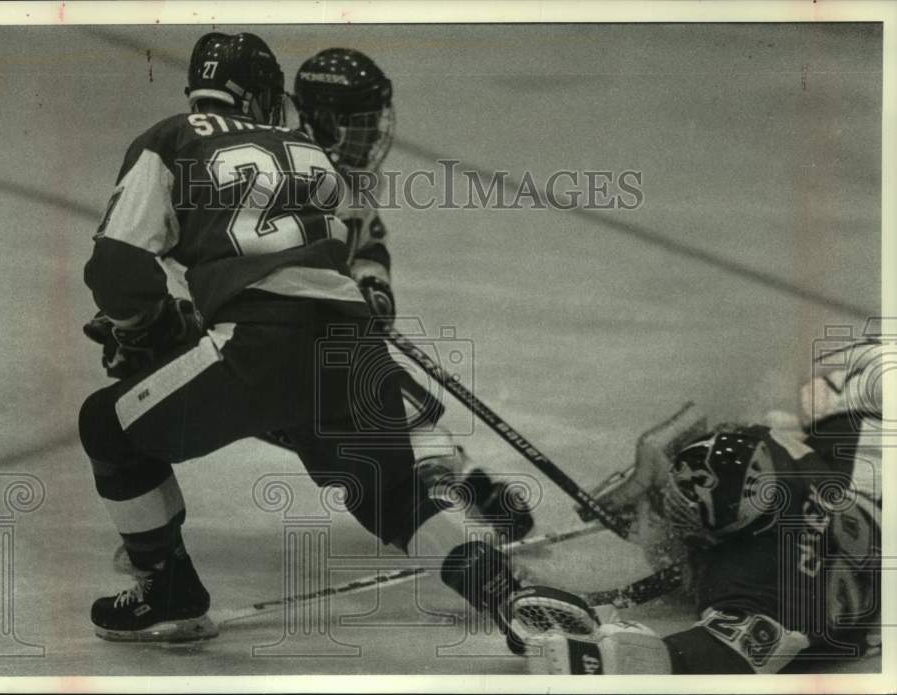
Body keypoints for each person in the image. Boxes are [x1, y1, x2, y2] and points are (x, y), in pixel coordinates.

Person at [78, 31, 573, 647]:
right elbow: (330, 253)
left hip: (259, 347)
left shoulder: (171, 137)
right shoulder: (302, 148)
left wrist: (146, 333)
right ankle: (508, 594)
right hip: (352, 346)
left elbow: (118, 270)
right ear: (264, 96)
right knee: (393, 496)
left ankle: (166, 586)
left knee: (105, 426)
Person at [290, 47, 534, 541]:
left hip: (320, 344)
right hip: (269, 345)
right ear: (326, 120)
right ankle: (442, 489)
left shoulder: (350, 176)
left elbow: (369, 243)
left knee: (382, 390)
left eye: (377, 119)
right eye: (363, 121)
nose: (377, 132)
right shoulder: (293, 177)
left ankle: (448, 473)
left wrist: (373, 285)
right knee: (371, 399)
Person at [527, 342, 882, 674]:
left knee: (843, 377)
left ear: (707, 538)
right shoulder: (769, 450)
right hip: (867, 499)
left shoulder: (759, 581)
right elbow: (720, 434)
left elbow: (690, 660)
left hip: (865, 567)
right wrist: (659, 447)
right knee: (846, 377)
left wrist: (598, 660)